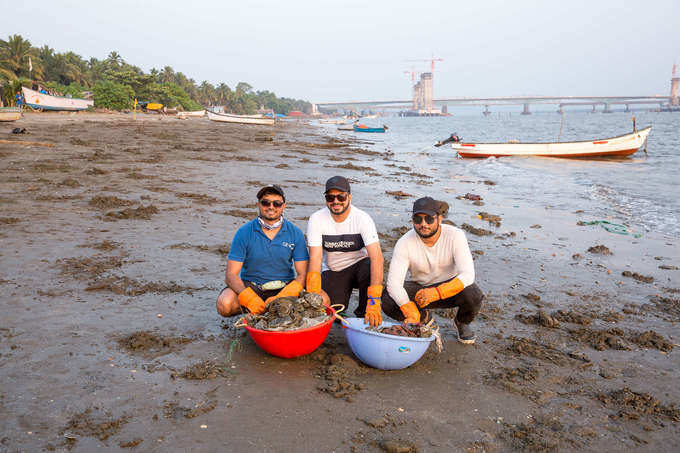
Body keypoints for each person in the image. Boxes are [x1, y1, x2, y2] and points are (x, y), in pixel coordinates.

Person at [383, 197, 484, 344]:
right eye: (418, 219)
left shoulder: (455, 235)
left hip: (450, 288)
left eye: (429, 219)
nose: (423, 224)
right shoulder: (404, 243)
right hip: (420, 291)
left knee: (473, 294)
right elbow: (394, 284)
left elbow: (468, 274)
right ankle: (424, 318)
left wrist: (438, 292)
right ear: (412, 221)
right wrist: (409, 309)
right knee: (388, 298)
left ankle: (462, 322)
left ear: (439, 219)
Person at [216, 185, 309, 317]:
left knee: (320, 300)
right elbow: (231, 275)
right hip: (252, 287)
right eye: (266, 202)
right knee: (225, 304)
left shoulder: (295, 233)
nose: (271, 207)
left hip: (284, 287)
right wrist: (249, 299)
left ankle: (274, 311)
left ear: (284, 206)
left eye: (277, 204)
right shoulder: (244, 232)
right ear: (258, 204)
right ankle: (254, 311)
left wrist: (283, 297)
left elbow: (303, 275)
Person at [306, 176, 384, 327]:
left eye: (341, 196)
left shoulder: (362, 219)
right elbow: (315, 258)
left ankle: (364, 313)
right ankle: (339, 305)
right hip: (335, 270)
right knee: (333, 312)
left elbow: (378, 259)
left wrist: (374, 300)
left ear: (350, 197)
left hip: (359, 267)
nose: (336, 201)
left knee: (369, 266)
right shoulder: (316, 219)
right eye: (330, 197)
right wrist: (314, 292)